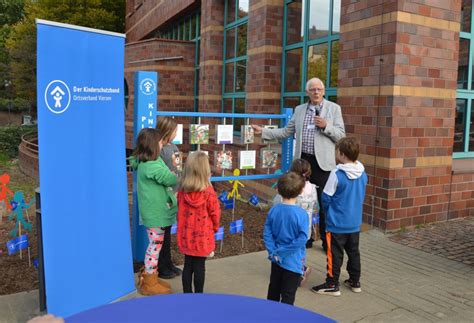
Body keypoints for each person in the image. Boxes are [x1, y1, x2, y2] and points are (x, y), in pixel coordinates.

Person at [253, 77, 345, 251]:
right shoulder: (300, 109)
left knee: (325, 205)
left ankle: (327, 242)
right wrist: (263, 131)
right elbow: (286, 132)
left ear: (324, 91)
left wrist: (326, 126)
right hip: (303, 164)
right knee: (300, 202)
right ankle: (305, 238)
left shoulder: (334, 109)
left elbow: (341, 136)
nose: (316, 92)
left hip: (323, 165)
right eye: (312, 90)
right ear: (307, 92)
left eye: (319, 89)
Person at [311, 137, 368, 296]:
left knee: (334, 254)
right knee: (354, 252)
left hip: (336, 223)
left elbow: (326, 197)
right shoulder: (363, 174)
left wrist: (329, 214)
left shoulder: (337, 173)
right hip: (354, 222)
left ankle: (331, 283)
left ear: (341, 154)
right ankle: (355, 281)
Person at [129, 128, 178, 295]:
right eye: (159, 142)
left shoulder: (146, 162)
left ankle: (151, 277)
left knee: (155, 245)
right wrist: (171, 173)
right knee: (155, 246)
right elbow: (171, 178)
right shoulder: (152, 166)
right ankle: (149, 281)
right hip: (155, 213)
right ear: (152, 145)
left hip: (154, 212)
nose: (162, 144)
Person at [177, 151, 220, 293]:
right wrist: (215, 227)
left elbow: (179, 208)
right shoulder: (209, 192)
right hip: (202, 238)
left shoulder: (182, 190)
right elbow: (215, 213)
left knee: (188, 265)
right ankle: (198, 296)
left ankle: (187, 294)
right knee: (200, 267)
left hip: (186, 236)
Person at [264, 172, 309, 306]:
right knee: (288, 296)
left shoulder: (274, 210)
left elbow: (267, 233)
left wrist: (274, 252)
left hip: (276, 260)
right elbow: (303, 238)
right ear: (301, 191)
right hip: (293, 262)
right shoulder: (302, 214)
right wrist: (281, 252)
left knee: (273, 292)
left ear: (278, 190)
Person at [272, 159, 318, 286]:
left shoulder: (291, 188)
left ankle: (296, 272)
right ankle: (300, 269)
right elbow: (315, 206)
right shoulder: (312, 188)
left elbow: (277, 203)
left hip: (289, 228)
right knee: (299, 250)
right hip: (305, 228)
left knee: (287, 248)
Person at [156, 116, 183, 280]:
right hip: (163, 196)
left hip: (174, 195)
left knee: (167, 232)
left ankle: (168, 263)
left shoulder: (174, 147)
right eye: (174, 131)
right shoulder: (158, 150)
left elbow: (178, 169)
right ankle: (161, 265)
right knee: (162, 233)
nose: (175, 133)